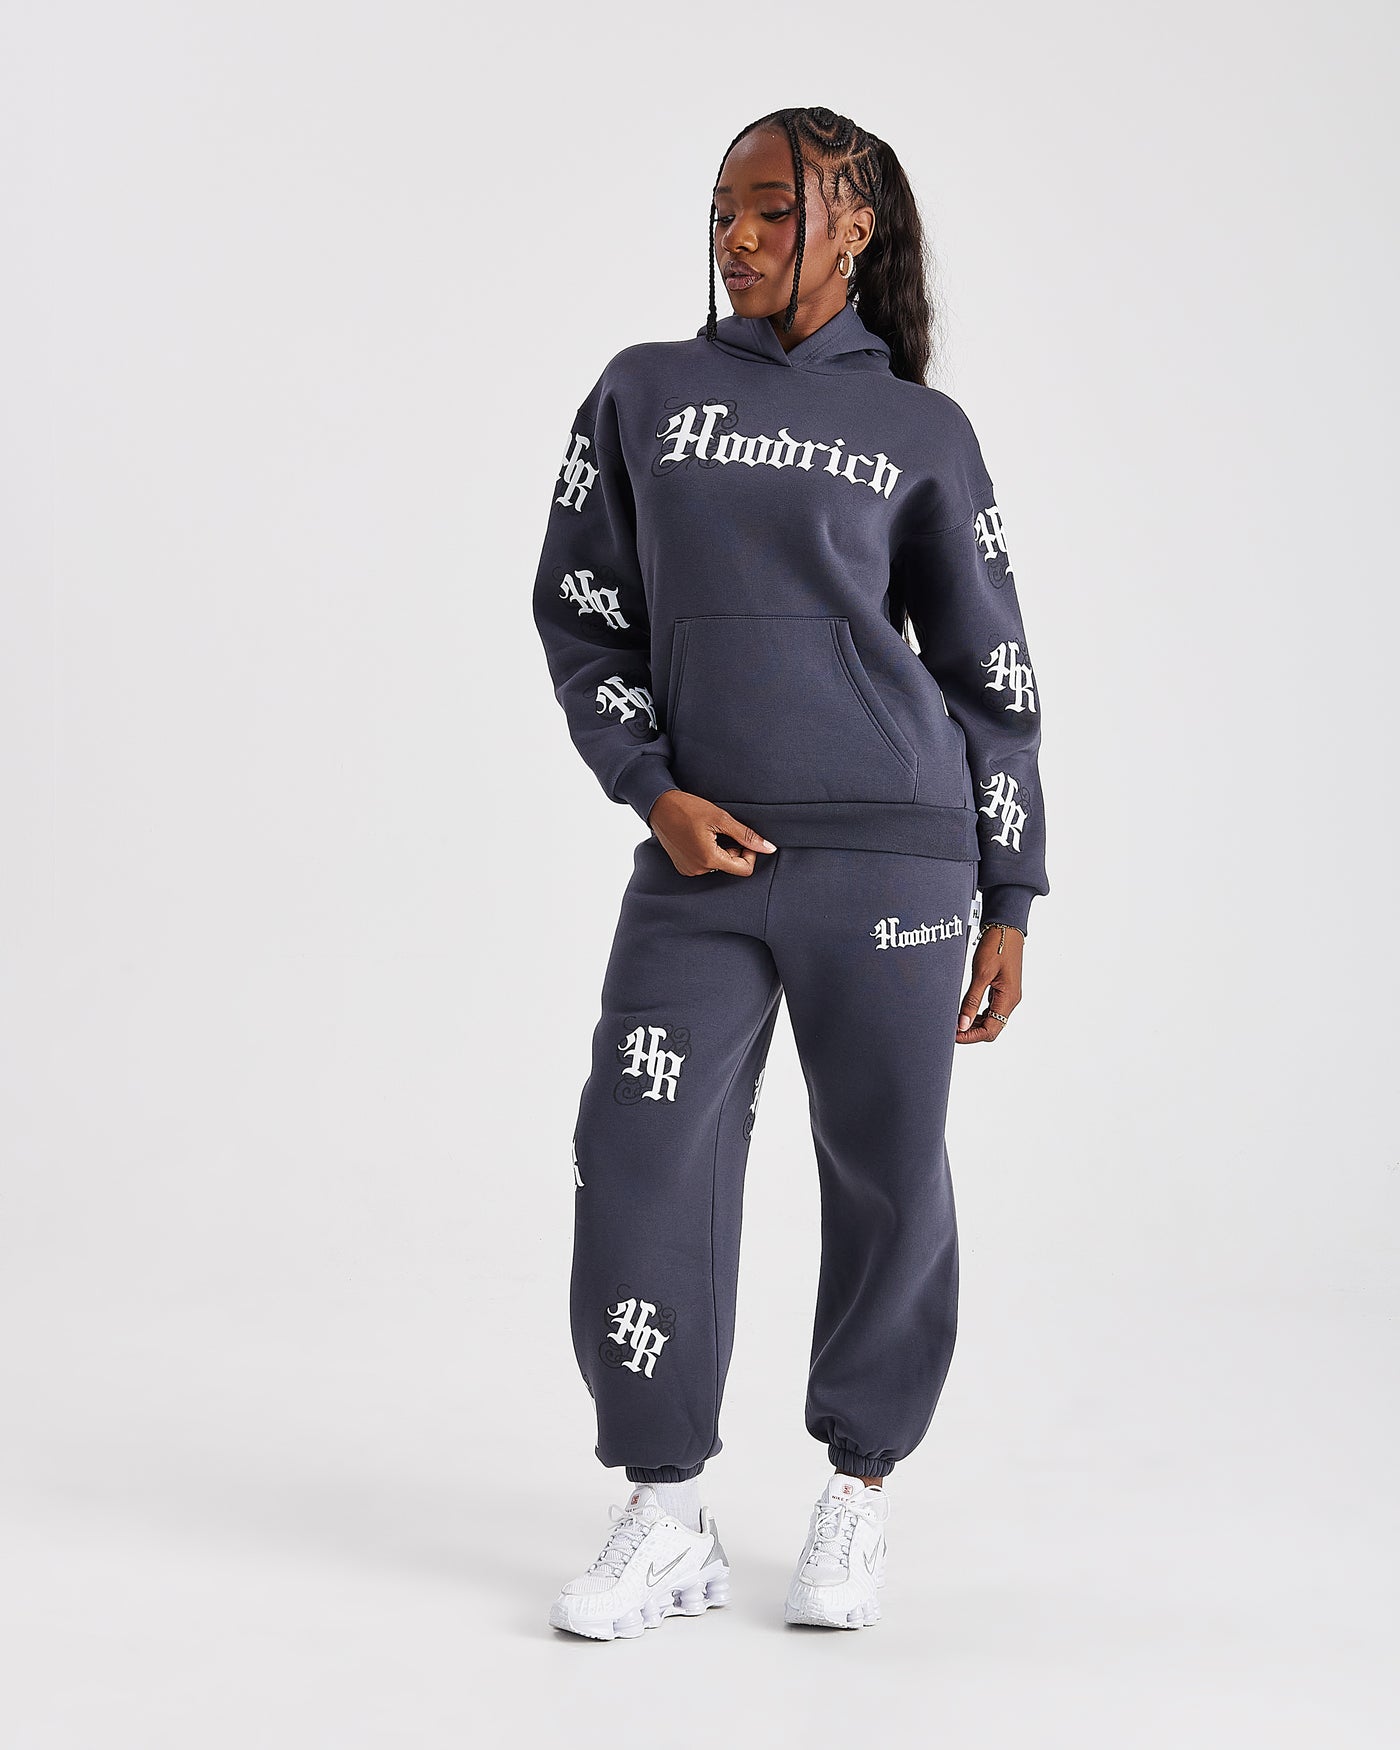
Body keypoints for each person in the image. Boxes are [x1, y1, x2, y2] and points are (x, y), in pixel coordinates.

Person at [530, 106, 1049, 1639]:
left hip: (897, 854)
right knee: (640, 1157)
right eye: (723, 209)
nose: (738, 237)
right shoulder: (644, 392)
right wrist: (652, 787)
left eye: (772, 209)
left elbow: (991, 672)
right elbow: (582, 610)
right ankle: (664, 1510)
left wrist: (1011, 891)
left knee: (888, 1167)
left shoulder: (924, 433)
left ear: (853, 229)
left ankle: (859, 1486)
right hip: (700, 854)